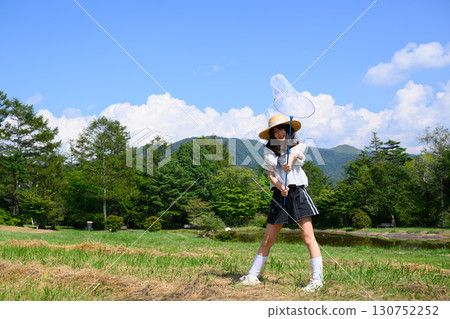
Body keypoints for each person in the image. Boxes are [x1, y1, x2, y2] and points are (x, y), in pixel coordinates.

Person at [239, 114, 323, 292]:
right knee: (268, 239)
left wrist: (288, 163)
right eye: (275, 131)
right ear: (272, 135)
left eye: (281, 129)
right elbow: (270, 175)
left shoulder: (299, 145)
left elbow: (294, 155)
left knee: (308, 238)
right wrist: (280, 186)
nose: (279, 133)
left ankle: (317, 281)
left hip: (298, 192)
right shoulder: (268, 151)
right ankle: (253, 276)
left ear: (288, 129)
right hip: (279, 195)